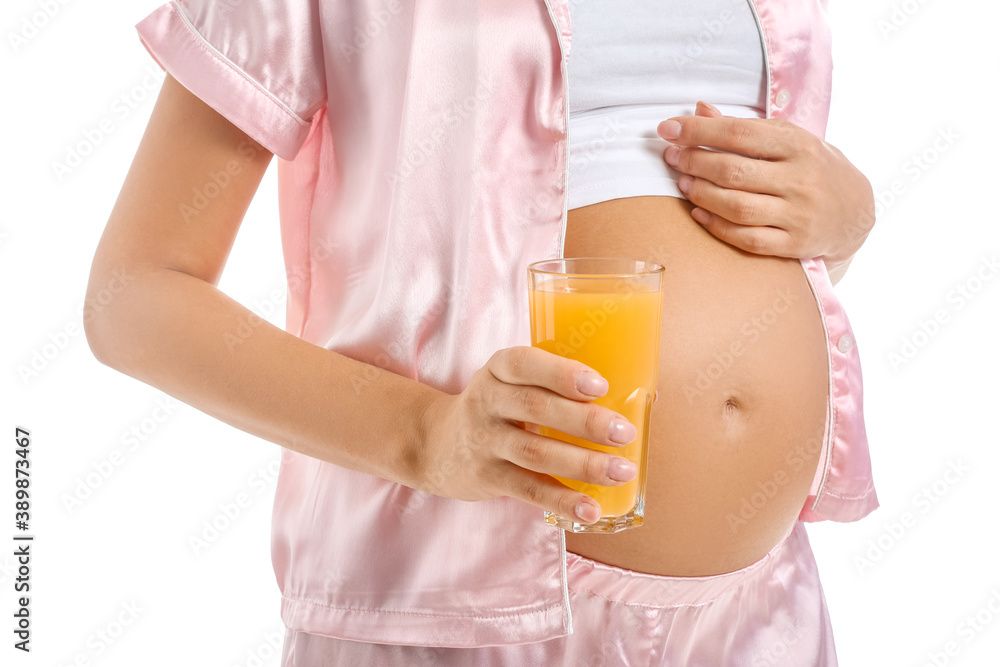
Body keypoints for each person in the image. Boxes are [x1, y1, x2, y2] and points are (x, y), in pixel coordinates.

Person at [85, 0, 879, 664]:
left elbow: (698, 221)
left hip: (759, 613)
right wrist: (428, 436)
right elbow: (134, 295)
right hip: (456, 612)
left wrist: (843, 222)